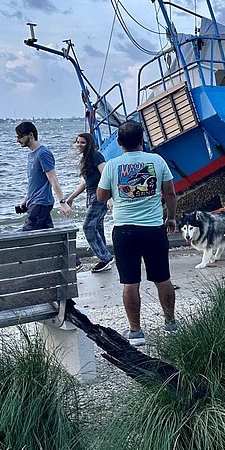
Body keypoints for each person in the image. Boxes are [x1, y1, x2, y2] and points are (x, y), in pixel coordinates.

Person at [96, 121, 179, 346]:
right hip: (153, 230)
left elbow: (101, 197)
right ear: (143, 140)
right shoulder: (157, 161)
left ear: (120, 143)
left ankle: (136, 332)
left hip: (125, 231)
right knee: (163, 278)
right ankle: (170, 323)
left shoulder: (113, 165)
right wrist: (171, 218)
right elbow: (170, 194)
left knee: (130, 282)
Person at [64, 132, 114, 273]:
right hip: (91, 195)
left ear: (89, 144)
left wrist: (109, 198)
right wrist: (72, 197)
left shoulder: (96, 155)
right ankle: (105, 259)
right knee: (97, 227)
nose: (79, 145)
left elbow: (106, 175)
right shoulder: (86, 159)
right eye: (78, 142)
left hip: (99, 196)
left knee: (88, 227)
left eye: (83, 142)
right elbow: (86, 181)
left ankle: (106, 258)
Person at [15, 121, 70, 229]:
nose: (17, 140)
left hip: (40, 203)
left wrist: (63, 202)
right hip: (34, 202)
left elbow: (53, 179)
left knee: (26, 237)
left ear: (31, 135)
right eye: (16, 137)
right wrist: (26, 199)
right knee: (48, 236)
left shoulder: (43, 154)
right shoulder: (32, 154)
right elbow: (35, 181)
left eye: (20, 137)